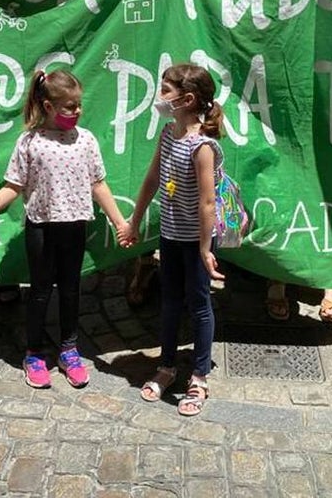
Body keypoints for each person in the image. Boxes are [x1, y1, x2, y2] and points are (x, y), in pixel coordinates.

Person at [0, 69, 131, 390]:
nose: (76, 111)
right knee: (40, 291)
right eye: (69, 106)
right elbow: (13, 186)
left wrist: (120, 221)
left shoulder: (86, 140)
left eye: (78, 104)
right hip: (41, 229)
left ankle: (69, 348)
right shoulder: (30, 142)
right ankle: (34, 352)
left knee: (71, 289)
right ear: (48, 106)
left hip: (75, 228)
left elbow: (98, 184)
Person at [127, 63, 226, 417]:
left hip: (196, 242)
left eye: (165, 90)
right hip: (169, 235)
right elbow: (153, 177)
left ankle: (199, 375)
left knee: (199, 305)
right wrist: (135, 220)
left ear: (186, 99)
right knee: (169, 301)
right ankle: (167, 365)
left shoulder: (203, 147)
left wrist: (204, 248)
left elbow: (207, 202)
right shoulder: (168, 134)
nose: (160, 97)